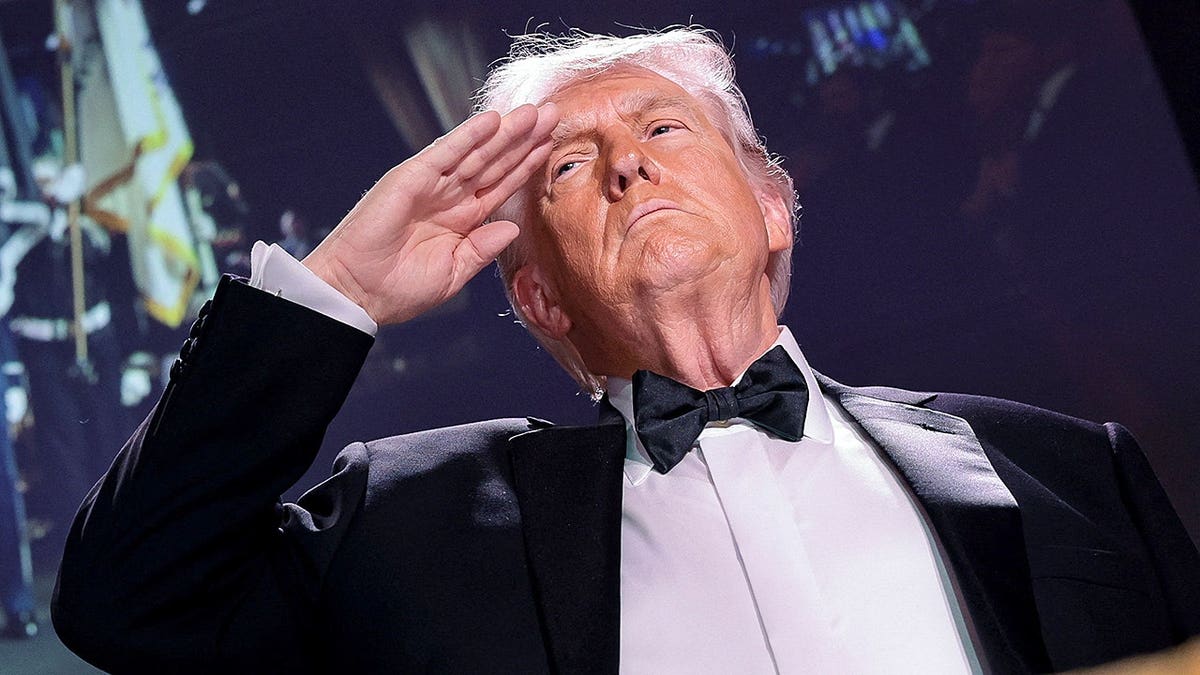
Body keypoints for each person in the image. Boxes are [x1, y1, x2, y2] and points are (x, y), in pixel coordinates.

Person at [52, 28, 1199, 674]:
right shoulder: (405, 523)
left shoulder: (1068, 467)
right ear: (537, 295)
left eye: (662, 127)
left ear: (773, 206)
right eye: (568, 165)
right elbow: (128, 603)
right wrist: (336, 289)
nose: (629, 165)